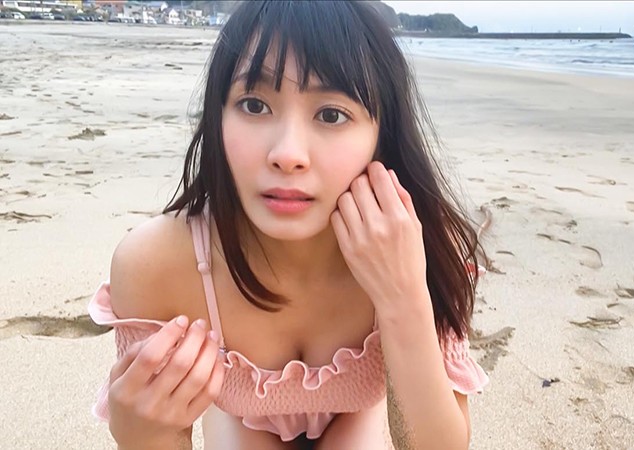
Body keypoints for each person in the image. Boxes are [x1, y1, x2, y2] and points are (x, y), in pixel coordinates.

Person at [88, 1, 489, 449]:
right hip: (239, 412)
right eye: (254, 105)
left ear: (383, 136)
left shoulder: (420, 244)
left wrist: (404, 299)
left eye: (331, 114)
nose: (287, 154)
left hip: (359, 405)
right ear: (217, 118)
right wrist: (141, 433)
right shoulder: (156, 263)